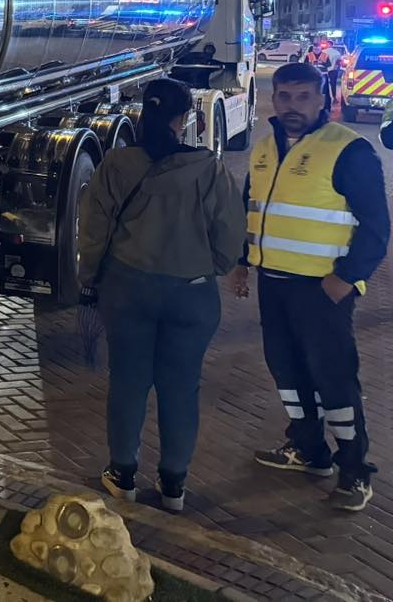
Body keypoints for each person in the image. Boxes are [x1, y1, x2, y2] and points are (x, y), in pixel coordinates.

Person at [78, 79, 244, 513]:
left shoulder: (116, 164)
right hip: (191, 295)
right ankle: (174, 484)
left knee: (129, 382)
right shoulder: (207, 168)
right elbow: (229, 235)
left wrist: (89, 276)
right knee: (181, 387)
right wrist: (213, 265)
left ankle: (123, 473)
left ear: (142, 115)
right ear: (183, 118)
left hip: (128, 289)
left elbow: (93, 231)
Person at [230, 62, 390, 511]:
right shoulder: (264, 149)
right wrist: (243, 263)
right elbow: (253, 210)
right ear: (273, 99)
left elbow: (377, 227)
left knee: (334, 378)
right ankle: (308, 450)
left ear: (323, 99)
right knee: (287, 371)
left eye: (303, 97)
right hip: (274, 284)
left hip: (322, 288)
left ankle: (355, 472)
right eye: (284, 96)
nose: (292, 106)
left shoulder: (349, 151)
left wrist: (346, 278)